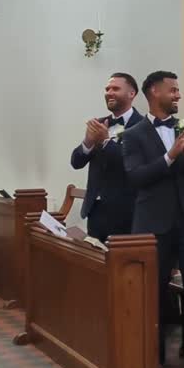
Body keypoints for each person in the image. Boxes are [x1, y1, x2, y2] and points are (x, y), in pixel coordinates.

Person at [122, 71, 184, 368]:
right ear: (153, 92)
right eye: (172, 90)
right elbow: (136, 177)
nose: (178, 95)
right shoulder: (133, 135)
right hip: (154, 223)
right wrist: (170, 155)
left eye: (178, 90)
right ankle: (153, 361)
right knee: (154, 294)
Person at [70, 73, 143, 242]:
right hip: (95, 211)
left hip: (127, 213)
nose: (109, 92)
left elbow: (131, 164)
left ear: (131, 94)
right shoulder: (100, 123)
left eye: (115, 88)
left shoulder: (143, 126)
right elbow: (76, 162)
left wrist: (105, 141)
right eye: (107, 89)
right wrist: (88, 142)